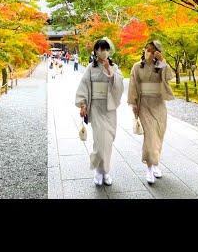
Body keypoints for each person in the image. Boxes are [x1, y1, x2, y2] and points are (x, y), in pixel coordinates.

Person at [75, 38, 124, 186]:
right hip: (96, 107)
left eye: (106, 49)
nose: (103, 52)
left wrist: (109, 70)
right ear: (96, 51)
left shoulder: (114, 67)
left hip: (109, 109)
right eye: (100, 49)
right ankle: (100, 171)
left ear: (109, 51)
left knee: (108, 141)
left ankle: (105, 171)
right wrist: (83, 105)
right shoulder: (91, 67)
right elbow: (83, 86)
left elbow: (120, 85)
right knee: (100, 140)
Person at [127, 39, 175, 185]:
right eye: (148, 49)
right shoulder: (137, 66)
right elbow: (133, 85)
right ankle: (149, 168)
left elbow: (169, 77)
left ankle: (155, 164)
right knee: (151, 137)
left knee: (159, 135)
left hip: (158, 105)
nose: (150, 52)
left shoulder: (159, 66)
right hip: (144, 105)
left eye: (153, 50)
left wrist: (163, 62)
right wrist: (134, 104)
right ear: (144, 50)